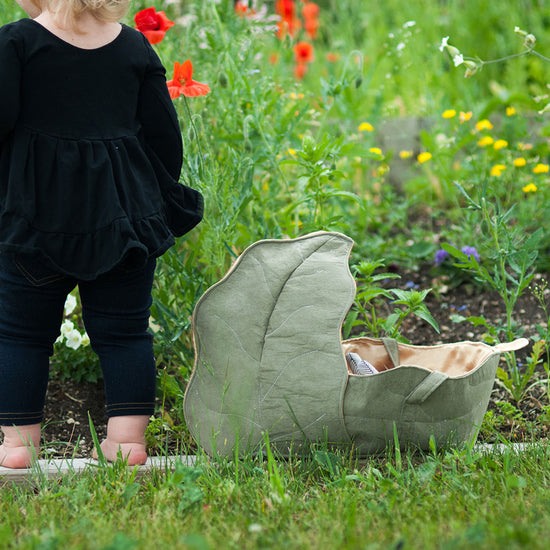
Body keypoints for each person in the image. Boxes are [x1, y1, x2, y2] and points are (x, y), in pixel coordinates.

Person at [0, 0, 203, 468]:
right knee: (126, 333)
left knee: (21, 335)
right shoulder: (133, 46)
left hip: (35, 218)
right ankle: (127, 443)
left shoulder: (16, 42)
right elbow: (165, 138)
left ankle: (17, 447)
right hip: (123, 218)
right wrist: (145, 193)